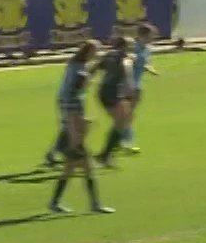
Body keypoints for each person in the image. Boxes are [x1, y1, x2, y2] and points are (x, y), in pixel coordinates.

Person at [49, 41, 113, 214]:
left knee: (70, 170)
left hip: (71, 139)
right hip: (74, 141)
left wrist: (94, 69)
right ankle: (95, 204)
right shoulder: (74, 98)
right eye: (96, 51)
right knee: (86, 168)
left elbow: (82, 77)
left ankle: (56, 203)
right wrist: (79, 137)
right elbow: (72, 120)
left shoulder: (75, 67)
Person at [94, 36, 134, 168]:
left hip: (103, 92)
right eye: (130, 46)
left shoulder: (108, 54)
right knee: (121, 123)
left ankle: (106, 155)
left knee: (121, 122)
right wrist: (130, 90)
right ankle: (104, 155)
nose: (131, 48)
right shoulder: (125, 59)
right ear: (123, 46)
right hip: (115, 93)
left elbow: (94, 68)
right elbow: (128, 75)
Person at [120, 23, 157, 153]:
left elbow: (145, 63)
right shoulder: (133, 47)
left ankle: (121, 141)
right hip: (126, 86)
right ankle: (127, 143)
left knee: (129, 115)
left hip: (137, 86)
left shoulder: (147, 49)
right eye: (151, 36)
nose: (153, 38)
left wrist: (151, 69)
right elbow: (125, 64)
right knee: (126, 114)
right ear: (142, 35)